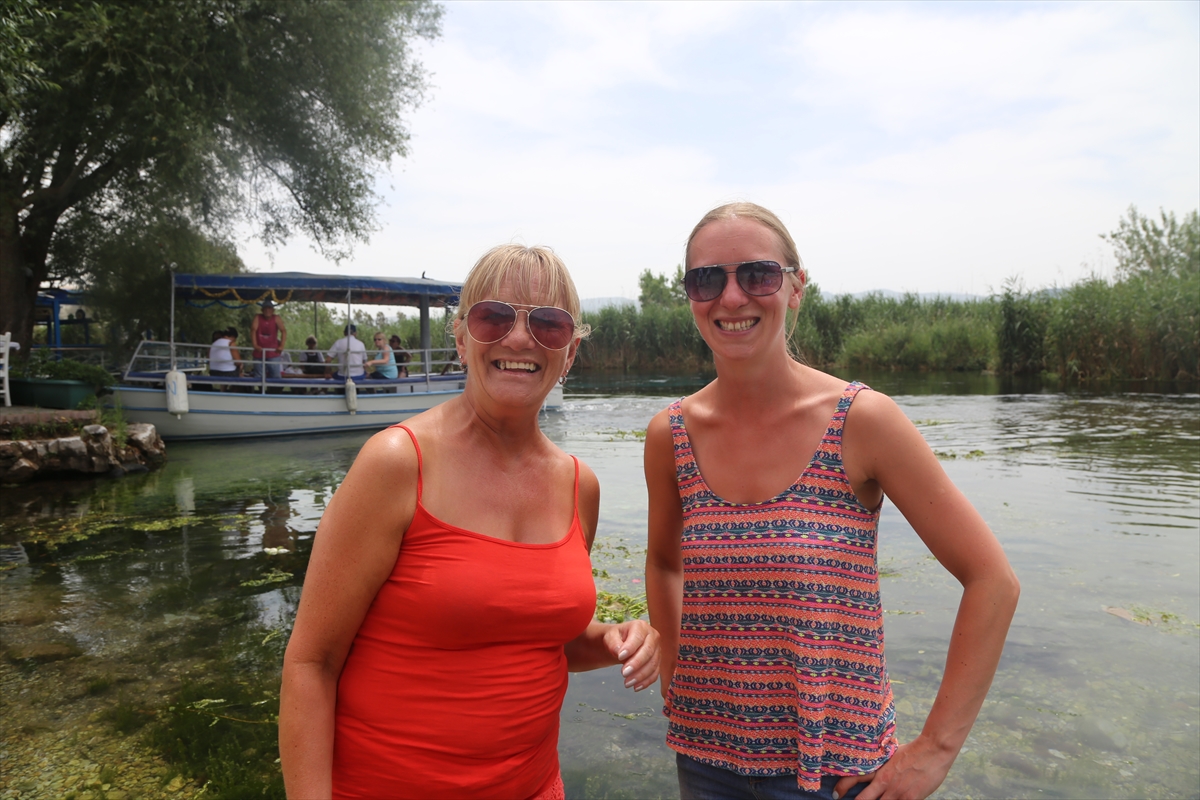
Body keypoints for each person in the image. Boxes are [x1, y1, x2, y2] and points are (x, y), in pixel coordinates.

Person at [644, 203, 1020, 800]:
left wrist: (936, 749)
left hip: (834, 769)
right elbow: (665, 562)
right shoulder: (671, 435)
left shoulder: (862, 421)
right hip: (705, 759)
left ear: (795, 287)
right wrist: (673, 669)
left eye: (758, 275)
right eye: (707, 278)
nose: (732, 297)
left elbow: (992, 580)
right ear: (690, 295)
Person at [280, 244, 661, 800]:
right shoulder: (397, 464)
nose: (520, 339)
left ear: (570, 352)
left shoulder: (579, 486)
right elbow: (312, 664)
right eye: (493, 317)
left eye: (548, 324)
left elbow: (540, 641)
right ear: (461, 338)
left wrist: (613, 639)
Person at [250, 299, 288, 379]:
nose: (267, 310)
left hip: (273, 352)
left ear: (273, 310)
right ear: (262, 310)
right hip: (259, 352)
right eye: (265, 308)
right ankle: (260, 388)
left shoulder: (276, 318)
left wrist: (281, 346)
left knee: (275, 376)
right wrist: (255, 345)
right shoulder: (257, 317)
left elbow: (283, 331)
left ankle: (274, 387)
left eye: (269, 308)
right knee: (258, 376)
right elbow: (253, 330)